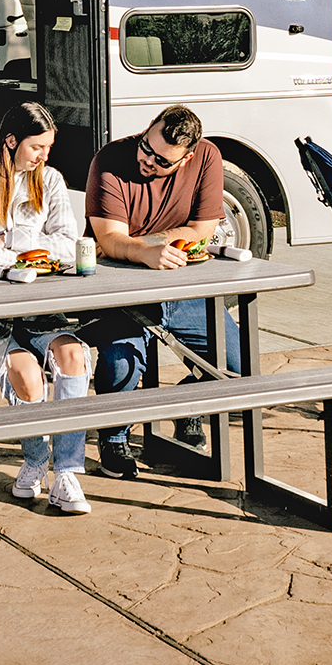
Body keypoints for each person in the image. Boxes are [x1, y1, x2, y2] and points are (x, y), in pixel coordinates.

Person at [0, 100, 100, 515]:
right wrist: (30, 250)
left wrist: (9, 241)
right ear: (11, 141)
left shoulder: (49, 179)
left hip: (38, 305)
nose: (43, 156)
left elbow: (70, 244)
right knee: (27, 375)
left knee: (72, 354)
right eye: (36, 147)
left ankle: (66, 472)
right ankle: (36, 460)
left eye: (48, 148)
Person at [82, 105, 237, 479]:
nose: (148, 161)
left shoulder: (208, 157)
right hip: (119, 289)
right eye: (146, 148)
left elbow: (202, 230)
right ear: (148, 128)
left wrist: (143, 245)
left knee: (240, 363)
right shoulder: (109, 160)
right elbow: (108, 239)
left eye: (162, 161)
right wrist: (146, 251)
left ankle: (187, 406)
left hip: (182, 285)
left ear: (186, 160)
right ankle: (114, 435)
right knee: (122, 363)